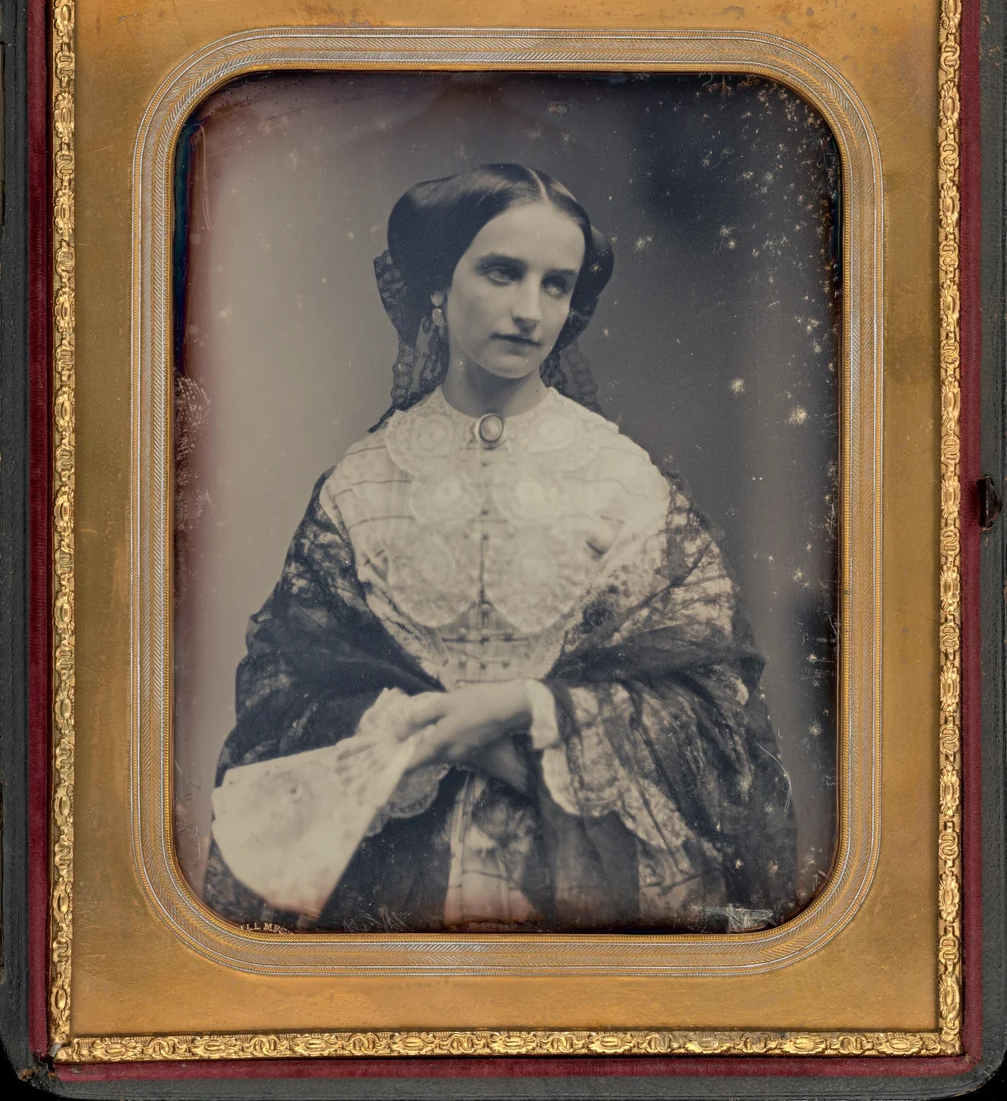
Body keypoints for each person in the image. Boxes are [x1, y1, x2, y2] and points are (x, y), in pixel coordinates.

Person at [202, 163, 796, 934]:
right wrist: (427, 732)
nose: (529, 311)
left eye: (556, 285)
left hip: (594, 871)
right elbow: (284, 695)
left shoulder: (623, 481)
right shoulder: (361, 484)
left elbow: (711, 706)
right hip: (395, 877)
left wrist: (520, 712)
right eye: (501, 273)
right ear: (436, 286)